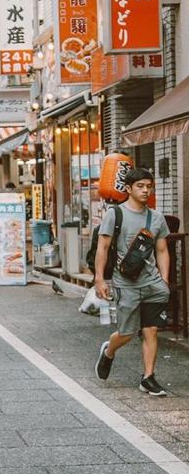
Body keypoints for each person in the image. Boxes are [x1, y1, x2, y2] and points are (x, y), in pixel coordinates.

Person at [94, 168, 171, 396]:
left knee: (151, 330)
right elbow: (103, 247)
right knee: (127, 333)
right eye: (140, 186)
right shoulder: (115, 215)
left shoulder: (156, 218)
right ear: (128, 189)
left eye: (149, 186)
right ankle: (109, 351)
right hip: (125, 283)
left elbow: (162, 250)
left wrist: (164, 280)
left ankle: (148, 377)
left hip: (152, 284)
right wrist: (100, 279)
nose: (146, 190)